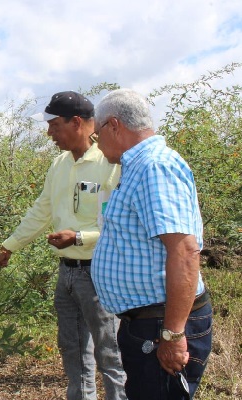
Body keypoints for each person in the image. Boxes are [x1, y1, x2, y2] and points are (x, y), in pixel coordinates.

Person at [0, 91, 127, 400]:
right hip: (68, 274)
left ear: (76, 122)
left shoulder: (110, 162)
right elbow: (42, 210)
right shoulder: (60, 164)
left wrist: (78, 238)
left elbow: (119, 226)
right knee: (74, 351)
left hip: (100, 273)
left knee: (111, 354)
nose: (49, 133)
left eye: (54, 126)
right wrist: (9, 246)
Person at [91, 88, 212, 399]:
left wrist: (172, 334)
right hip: (148, 324)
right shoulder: (136, 167)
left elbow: (184, 251)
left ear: (113, 126)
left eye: (96, 135)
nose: (97, 144)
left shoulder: (154, 167)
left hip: (161, 326)